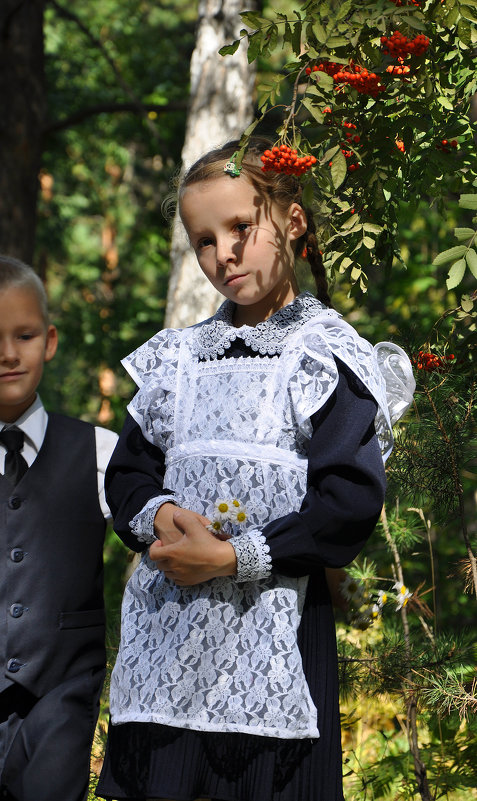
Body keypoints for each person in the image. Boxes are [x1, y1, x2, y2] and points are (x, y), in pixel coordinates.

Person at [97, 138, 415, 801]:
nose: (223, 254)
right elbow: (125, 472)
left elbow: (346, 502)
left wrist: (229, 556)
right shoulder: (177, 360)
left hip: (281, 637)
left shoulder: (325, 357)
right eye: (203, 240)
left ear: (292, 222)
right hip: (168, 642)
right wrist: (159, 513)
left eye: (240, 227)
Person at [0, 252, 118, 801]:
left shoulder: (101, 452)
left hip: (63, 690)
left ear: (49, 340)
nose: (10, 354)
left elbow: (162, 539)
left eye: (24, 335)